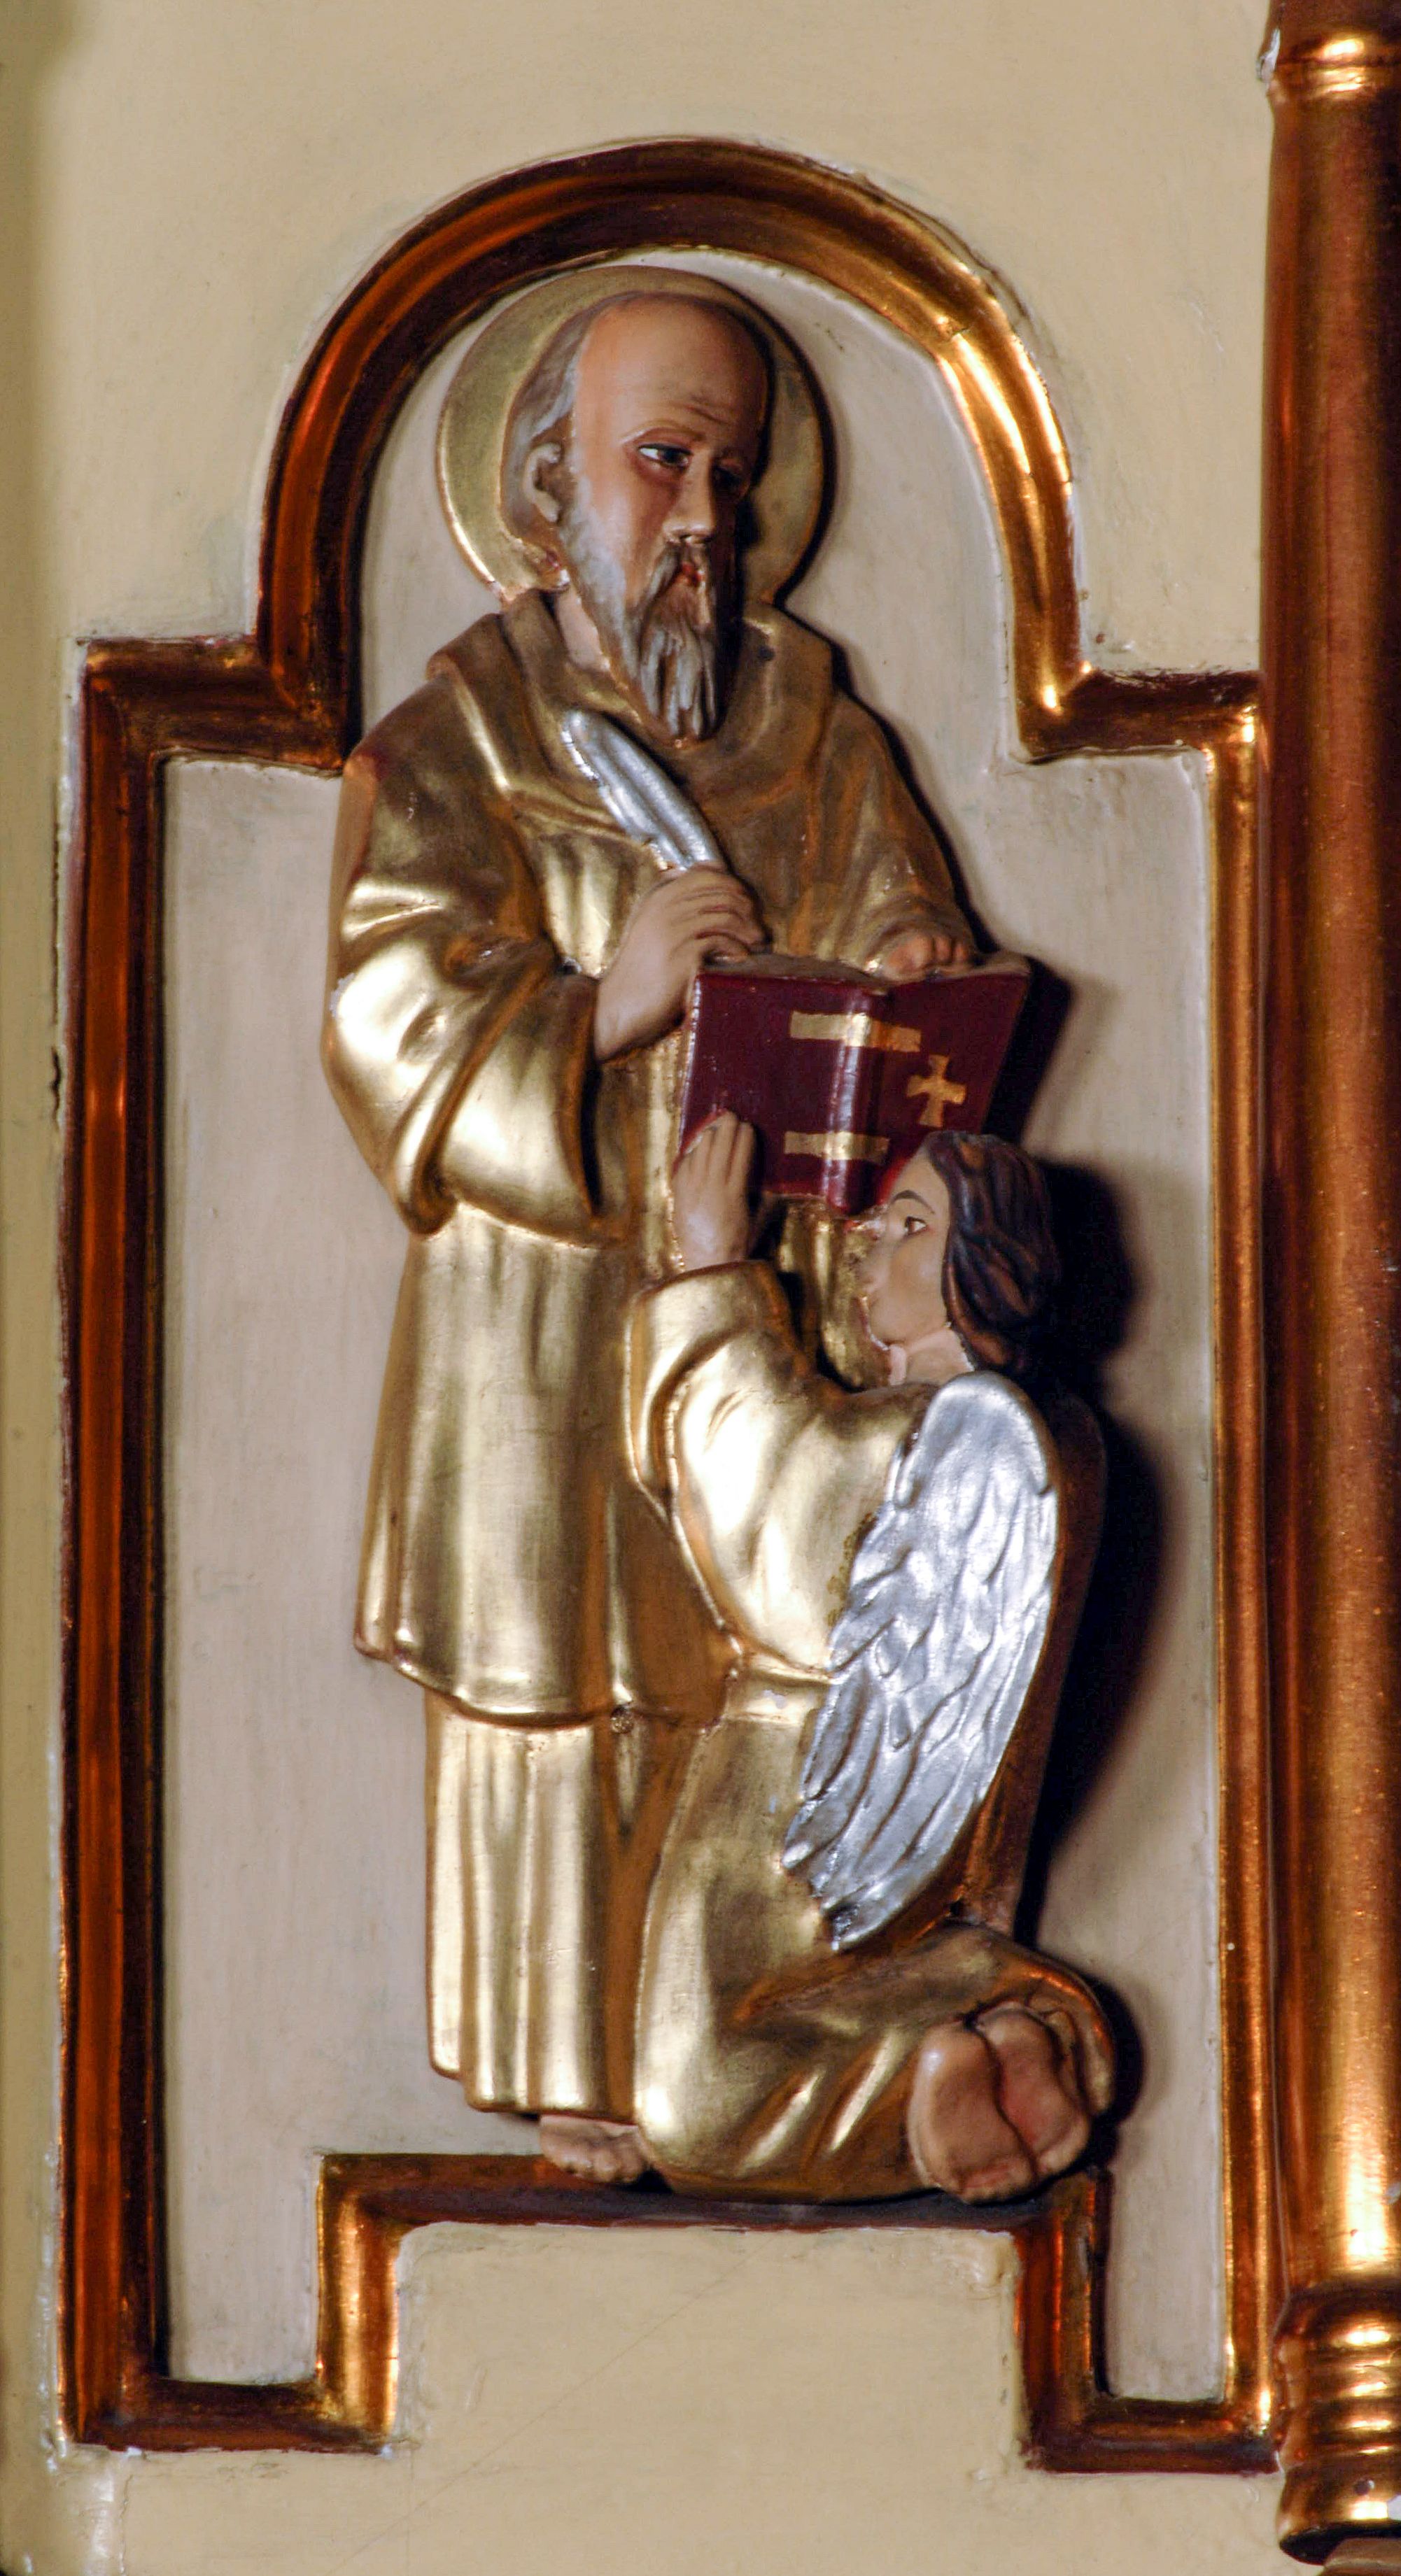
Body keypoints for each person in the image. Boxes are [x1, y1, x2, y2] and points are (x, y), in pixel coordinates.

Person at [323, 269, 972, 2181]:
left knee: (744, 1666)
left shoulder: (812, 726)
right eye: (661, 461)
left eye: (732, 475)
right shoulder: (463, 731)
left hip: (755, 1298)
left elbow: (894, 910)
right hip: (533, 1323)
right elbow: (384, 1005)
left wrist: (905, 959)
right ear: (548, 491)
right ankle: (568, 2056)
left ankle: (754, 2029)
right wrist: (603, 999)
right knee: (553, 1683)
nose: (701, 517)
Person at [626, 1118, 1113, 2200]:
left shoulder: (918, 1436)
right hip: (841, 1799)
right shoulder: (1055, 1439)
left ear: (979, 1270)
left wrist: (710, 1267)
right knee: (745, 2043)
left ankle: (951, 2053)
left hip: (785, 1787)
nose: (867, 1240)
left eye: (909, 1225)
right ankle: (974, 2041)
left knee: (696, 2097)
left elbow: (755, 1507)